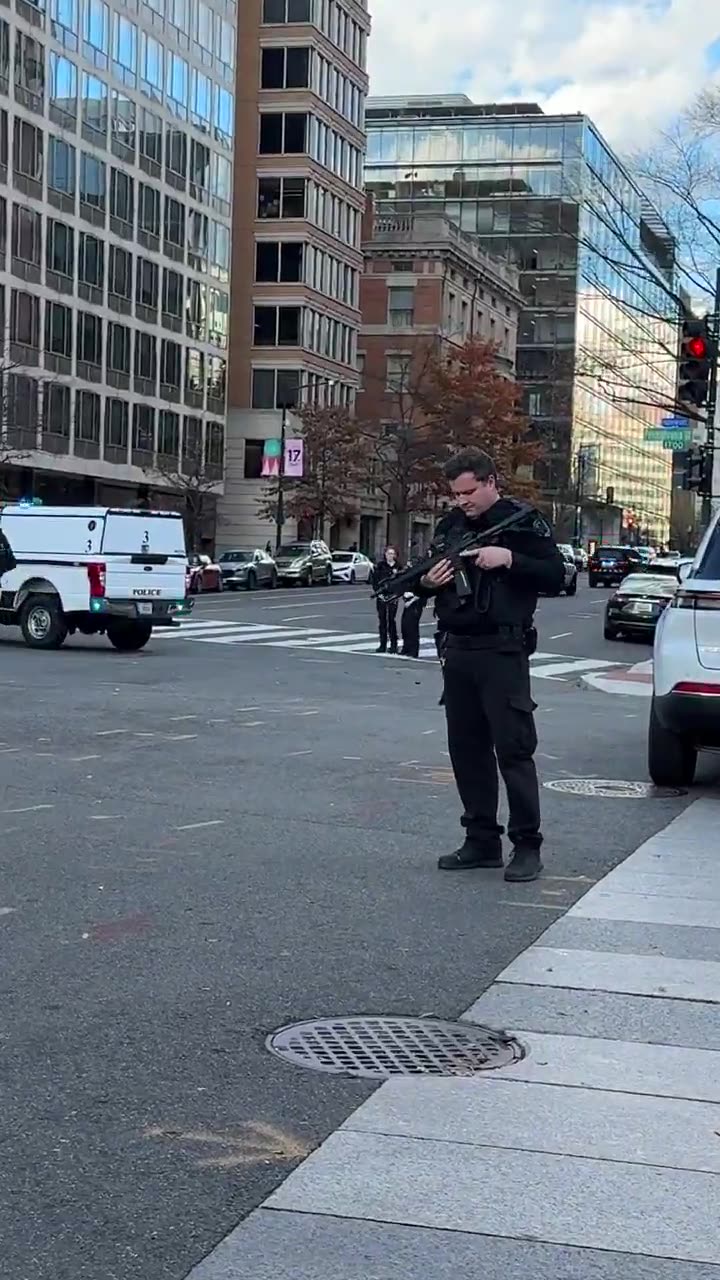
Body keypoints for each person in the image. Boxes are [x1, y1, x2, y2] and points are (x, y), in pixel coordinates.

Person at [416, 447, 565, 883]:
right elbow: (430, 576)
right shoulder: (451, 525)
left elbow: (556, 574)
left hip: (503, 650)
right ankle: (481, 840)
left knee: (514, 750)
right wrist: (427, 583)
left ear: (490, 481)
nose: (462, 500)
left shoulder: (522, 521)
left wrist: (510, 560)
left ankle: (526, 845)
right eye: (455, 493)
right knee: (467, 750)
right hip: (458, 649)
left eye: (468, 491)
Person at [370, 546, 402, 653]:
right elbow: (375, 581)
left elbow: (401, 582)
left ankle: (394, 645)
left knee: (391, 620)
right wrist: (378, 593)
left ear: (395, 555)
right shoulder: (380, 566)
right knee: (382, 621)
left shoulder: (399, 567)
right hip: (381, 596)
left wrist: (396, 595)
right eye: (388, 553)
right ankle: (382, 644)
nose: (390, 556)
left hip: (393, 597)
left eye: (392, 553)